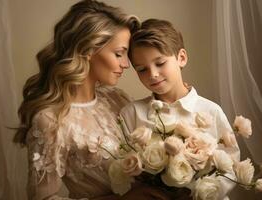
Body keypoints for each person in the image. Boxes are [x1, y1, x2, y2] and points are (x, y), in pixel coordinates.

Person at [14, 1, 175, 200]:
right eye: (119, 54)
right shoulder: (49, 120)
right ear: (88, 49)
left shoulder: (117, 98)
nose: (126, 64)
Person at [120, 18, 240, 200]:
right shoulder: (132, 113)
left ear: (181, 58)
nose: (152, 74)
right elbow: (123, 165)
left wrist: (199, 193)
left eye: (160, 63)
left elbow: (230, 165)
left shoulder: (210, 110)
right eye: (142, 69)